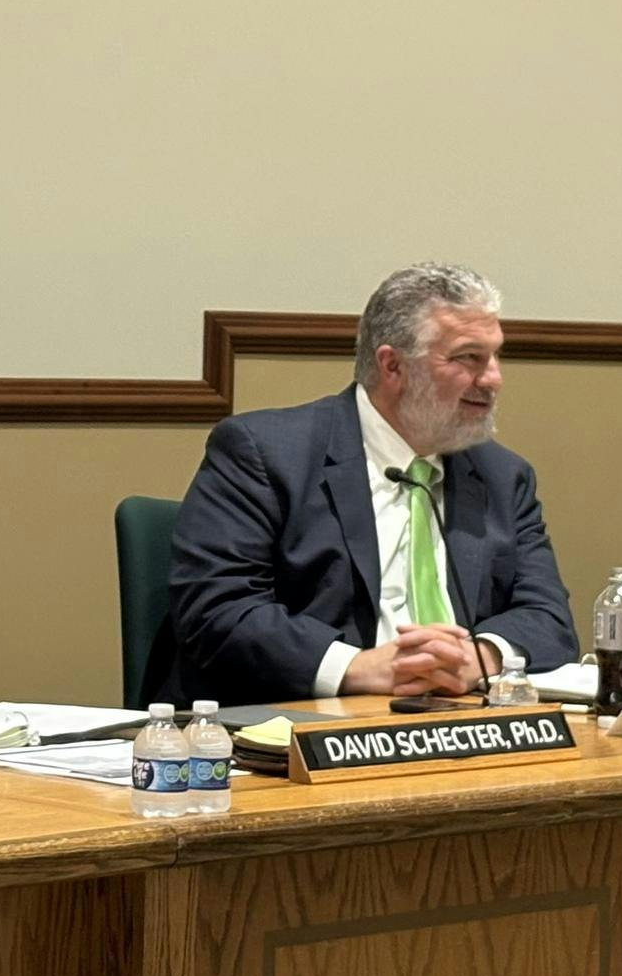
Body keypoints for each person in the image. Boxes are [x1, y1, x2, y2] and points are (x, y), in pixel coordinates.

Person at [149, 263, 577, 706]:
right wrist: (358, 668)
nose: (493, 379)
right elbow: (218, 610)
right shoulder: (263, 453)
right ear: (393, 366)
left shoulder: (502, 476)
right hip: (297, 720)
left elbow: (549, 617)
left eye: (494, 356)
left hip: (460, 717)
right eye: (469, 357)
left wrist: (476, 658)